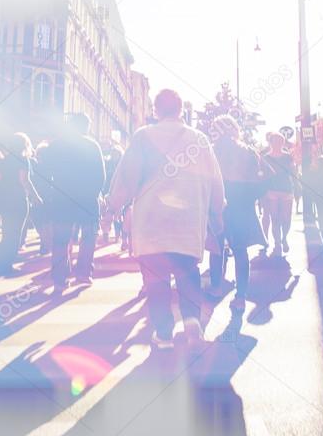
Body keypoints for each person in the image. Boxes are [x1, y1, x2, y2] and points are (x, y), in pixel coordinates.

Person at [105, 89, 225, 349]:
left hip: (151, 221)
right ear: (181, 110)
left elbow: (126, 178)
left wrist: (112, 206)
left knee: (155, 278)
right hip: (189, 219)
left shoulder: (143, 137)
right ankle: (192, 321)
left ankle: (164, 334)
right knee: (187, 271)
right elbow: (215, 181)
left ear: (156, 111)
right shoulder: (199, 140)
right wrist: (216, 210)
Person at [208, 115, 266, 312]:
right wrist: (252, 200)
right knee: (241, 251)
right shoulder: (249, 152)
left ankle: (216, 287)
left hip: (218, 203)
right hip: (242, 205)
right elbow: (262, 181)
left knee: (217, 248)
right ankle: (241, 295)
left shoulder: (211, 151)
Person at [43, 113, 106, 293]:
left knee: (61, 240)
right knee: (88, 238)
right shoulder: (92, 146)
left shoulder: (56, 145)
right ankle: (83, 273)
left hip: (62, 198)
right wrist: (93, 194)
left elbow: (45, 172)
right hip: (86, 199)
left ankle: (60, 279)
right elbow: (100, 175)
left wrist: (52, 194)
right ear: (86, 126)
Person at [0, 133, 43, 274]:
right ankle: (7, 265)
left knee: (6, 232)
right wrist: (36, 197)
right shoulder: (22, 160)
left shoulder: (4, 161)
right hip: (18, 199)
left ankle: (0, 261)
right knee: (15, 234)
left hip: (4, 199)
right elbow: (24, 180)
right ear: (25, 145)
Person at [261, 132, 296, 257]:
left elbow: (293, 172)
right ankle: (277, 243)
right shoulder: (265, 158)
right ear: (270, 143)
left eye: (280, 141)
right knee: (275, 219)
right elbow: (262, 175)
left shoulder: (288, 157)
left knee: (286, 219)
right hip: (272, 190)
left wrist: (297, 185)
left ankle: (284, 238)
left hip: (287, 189)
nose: (278, 144)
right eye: (275, 141)